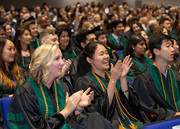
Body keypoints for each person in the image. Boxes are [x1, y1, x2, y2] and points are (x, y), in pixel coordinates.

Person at [8, 44, 114, 129]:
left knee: (94, 118)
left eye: (61, 58)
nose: (62, 63)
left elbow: (70, 120)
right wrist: (66, 110)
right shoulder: (26, 92)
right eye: (57, 59)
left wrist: (78, 108)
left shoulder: (60, 86)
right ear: (44, 63)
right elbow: (38, 126)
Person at [75, 42, 150, 129]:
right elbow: (99, 111)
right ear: (90, 60)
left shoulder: (111, 74)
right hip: (109, 124)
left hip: (127, 120)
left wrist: (122, 78)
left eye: (106, 53)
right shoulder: (84, 82)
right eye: (101, 54)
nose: (106, 56)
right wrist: (113, 80)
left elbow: (127, 101)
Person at [133, 34, 180, 122]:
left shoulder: (175, 75)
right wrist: (171, 114)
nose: (172, 49)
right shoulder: (143, 79)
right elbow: (147, 108)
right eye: (168, 46)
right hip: (162, 123)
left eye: (172, 46)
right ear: (156, 51)